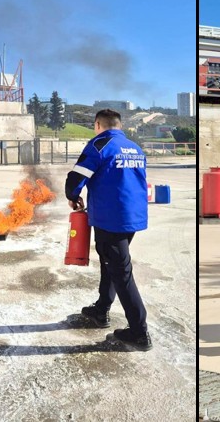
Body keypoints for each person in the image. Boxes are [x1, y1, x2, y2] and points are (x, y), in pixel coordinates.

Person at [65, 109, 152, 351]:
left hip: (110, 218)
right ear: (120, 125)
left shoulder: (101, 144)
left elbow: (77, 175)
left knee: (122, 272)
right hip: (132, 217)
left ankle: (139, 332)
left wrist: (72, 196)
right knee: (111, 264)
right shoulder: (134, 147)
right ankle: (101, 309)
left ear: (98, 125)